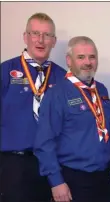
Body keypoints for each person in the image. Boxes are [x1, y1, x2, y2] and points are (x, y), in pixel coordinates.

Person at [33, 36, 110, 202]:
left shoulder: (101, 90)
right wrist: (56, 182)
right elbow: (44, 142)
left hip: (102, 178)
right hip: (72, 179)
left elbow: (106, 128)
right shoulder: (56, 94)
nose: (87, 62)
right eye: (81, 57)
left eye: (92, 57)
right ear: (69, 60)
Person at [0, 12, 66, 202]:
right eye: (35, 33)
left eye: (47, 35)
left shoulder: (62, 77)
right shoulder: (5, 71)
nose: (41, 40)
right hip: (14, 164)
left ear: (54, 41)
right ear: (25, 37)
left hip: (52, 165)